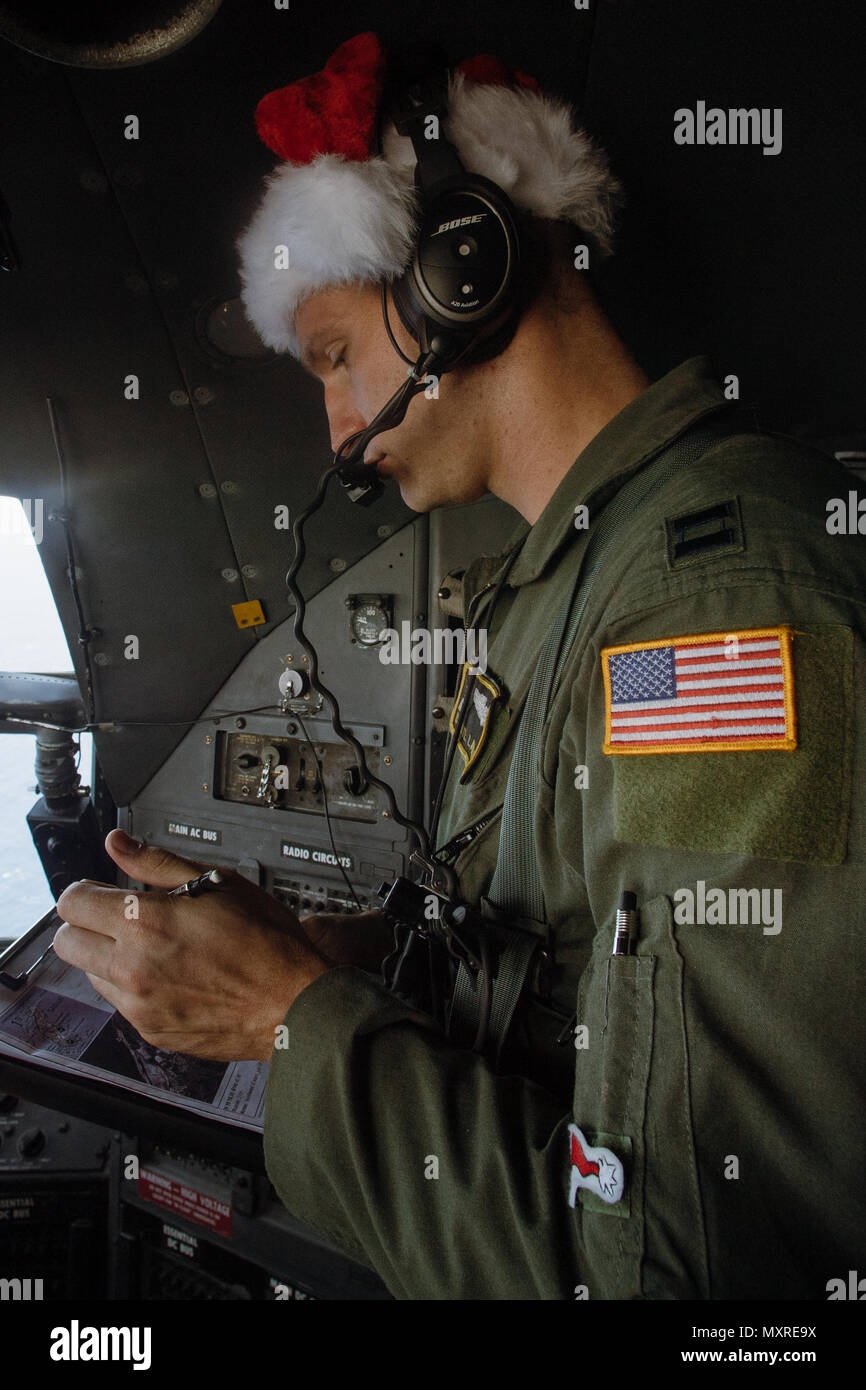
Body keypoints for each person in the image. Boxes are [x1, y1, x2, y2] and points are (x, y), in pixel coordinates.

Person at [53, 31, 865, 1300]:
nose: (334, 434)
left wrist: (286, 1022)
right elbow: (577, 956)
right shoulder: (570, 578)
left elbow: (686, 1274)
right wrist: (346, 963)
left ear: (461, 272)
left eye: (332, 358)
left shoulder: (708, 613)